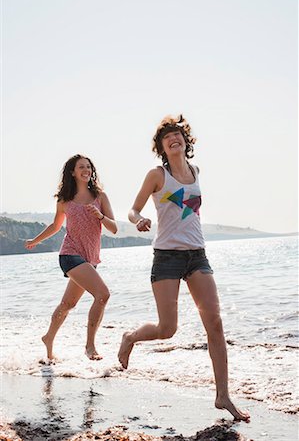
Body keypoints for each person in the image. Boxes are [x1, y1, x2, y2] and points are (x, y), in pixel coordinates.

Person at [118, 115, 250, 421]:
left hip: (197, 255)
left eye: (178, 134)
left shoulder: (196, 171)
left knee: (214, 324)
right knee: (167, 329)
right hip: (167, 256)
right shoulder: (157, 175)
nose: (174, 138)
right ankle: (130, 337)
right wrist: (138, 220)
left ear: (185, 141)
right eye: (167, 137)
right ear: (162, 147)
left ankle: (223, 396)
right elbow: (133, 208)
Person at [25, 154, 117, 361]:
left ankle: (48, 338)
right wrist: (36, 241)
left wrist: (100, 216)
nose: (86, 170)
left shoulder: (100, 196)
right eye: (81, 167)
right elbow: (56, 227)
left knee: (68, 304)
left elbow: (114, 228)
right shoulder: (64, 199)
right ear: (73, 172)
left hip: (90, 259)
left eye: (88, 167)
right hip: (70, 254)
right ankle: (90, 347)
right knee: (103, 295)